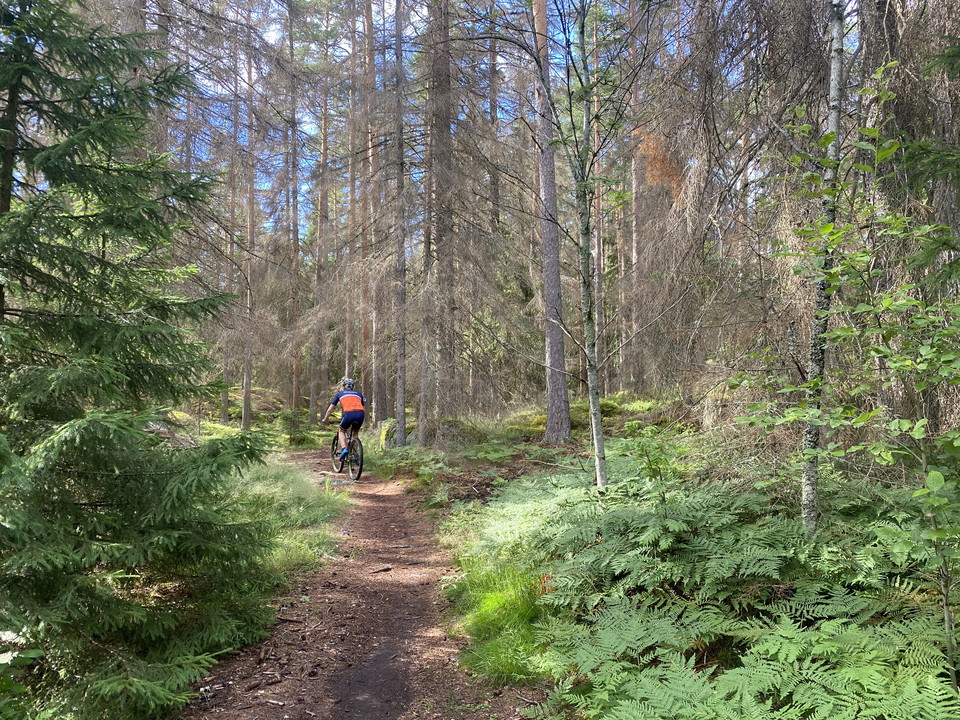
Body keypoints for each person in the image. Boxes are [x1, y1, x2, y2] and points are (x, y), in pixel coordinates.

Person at [321, 377, 366, 459]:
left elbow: (331, 408)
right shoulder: (359, 394)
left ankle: (344, 449)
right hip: (360, 414)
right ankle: (354, 455)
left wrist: (325, 418)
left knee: (341, 430)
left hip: (349, 414)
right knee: (355, 434)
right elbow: (363, 407)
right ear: (352, 386)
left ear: (344, 386)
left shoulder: (340, 394)